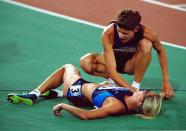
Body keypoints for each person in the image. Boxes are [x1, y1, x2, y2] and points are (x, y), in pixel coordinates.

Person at [7, 64, 163, 120]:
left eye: (144, 92)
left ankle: (34, 95)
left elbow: (86, 115)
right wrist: (161, 96)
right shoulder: (130, 97)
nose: (141, 90)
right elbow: (106, 90)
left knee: (67, 68)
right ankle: (55, 93)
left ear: (141, 101)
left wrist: (63, 106)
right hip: (88, 88)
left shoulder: (116, 106)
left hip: (76, 91)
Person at [80, 9, 174, 98]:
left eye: (125, 33)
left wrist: (166, 81)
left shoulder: (148, 33)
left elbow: (161, 51)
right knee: (85, 62)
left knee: (146, 44)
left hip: (130, 64)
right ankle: (113, 82)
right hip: (111, 62)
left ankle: (136, 85)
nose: (120, 36)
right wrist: (135, 93)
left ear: (136, 29)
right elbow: (112, 70)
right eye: (119, 31)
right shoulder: (108, 33)